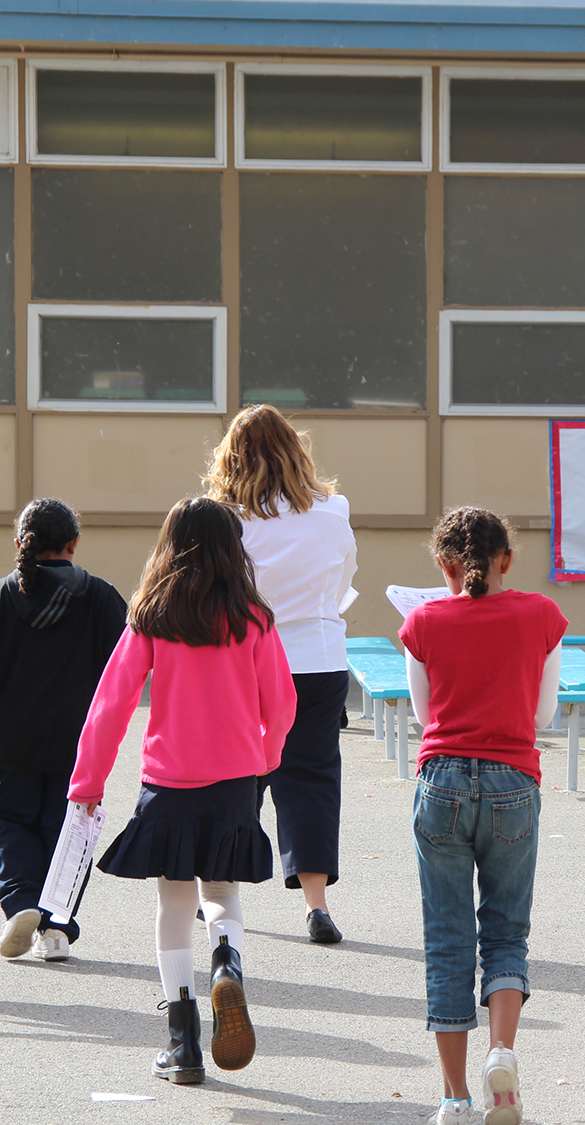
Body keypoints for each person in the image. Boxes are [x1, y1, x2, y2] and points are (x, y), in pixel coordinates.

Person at [69, 498, 297, 1084]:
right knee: (221, 891)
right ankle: (227, 961)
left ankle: (183, 1043)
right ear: (232, 547)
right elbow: (284, 701)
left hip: (168, 783)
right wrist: (264, 759)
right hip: (233, 781)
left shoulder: (151, 616)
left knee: (174, 904)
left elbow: (110, 706)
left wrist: (87, 783)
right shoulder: (253, 617)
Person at [399, 507, 565, 1125]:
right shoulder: (542, 616)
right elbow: (543, 716)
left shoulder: (422, 622)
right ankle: (502, 1053)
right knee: (504, 932)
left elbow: (424, 717)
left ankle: (454, 1097)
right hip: (513, 781)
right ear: (508, 560)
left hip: (441, 781)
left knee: (447, 941)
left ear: (444, 565)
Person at [205, 404, 358, 945]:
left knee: (234, 773)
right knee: (311, 779)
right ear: (296, 450)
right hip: (317, 658)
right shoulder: (332, 510)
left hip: (243, 661)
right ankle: (317, 905)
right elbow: (345, 580)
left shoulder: (222, 518)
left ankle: (220, 890)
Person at [0, 498, 127, 963]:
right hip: (80, 744)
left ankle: (20, 904)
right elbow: (124, 672)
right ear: (74, 543)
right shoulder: (99, 596)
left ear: (20, 544)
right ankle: (56, 930)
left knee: (10, 821)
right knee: (70, 830)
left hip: (10, 740)